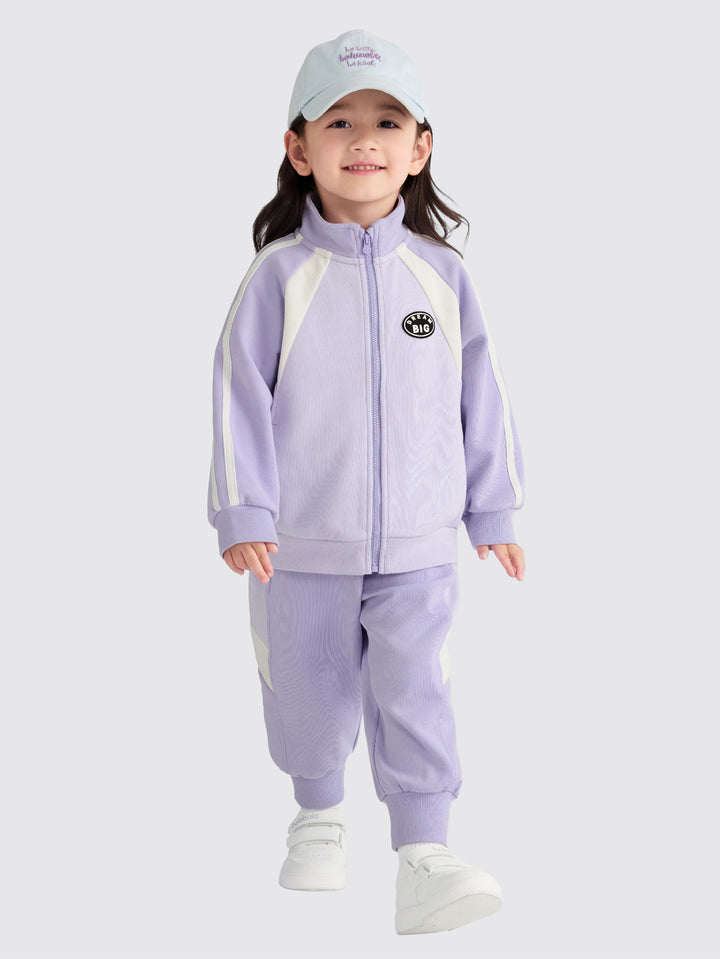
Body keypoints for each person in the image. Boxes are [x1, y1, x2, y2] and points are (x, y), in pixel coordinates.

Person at [207, 28, 526, 936]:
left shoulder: (443, 276)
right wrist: (243, 509)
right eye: (339, 121)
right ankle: (317, 814)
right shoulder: (278, 277)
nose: (364, 140)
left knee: (415, 685)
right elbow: (235, 398)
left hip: (419, 544)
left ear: (420, 148)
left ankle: (426, 852)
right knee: (306, 689)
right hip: (298, 546)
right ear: (298, 147)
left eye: (387, 121)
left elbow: (483, 396)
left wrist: (495, 506)